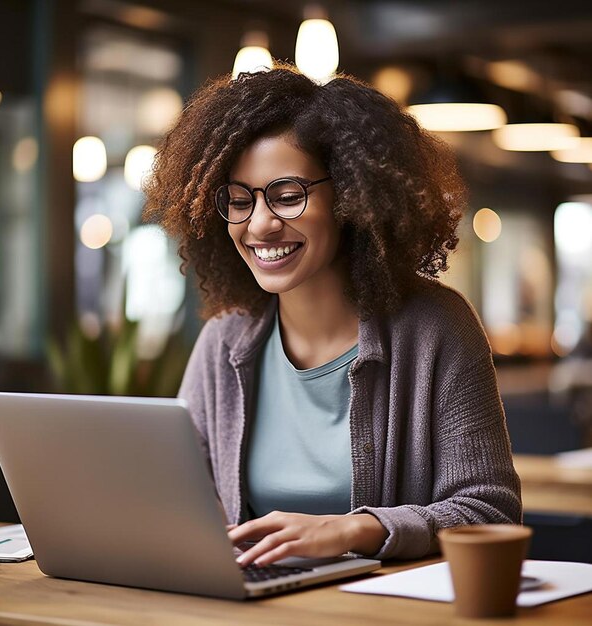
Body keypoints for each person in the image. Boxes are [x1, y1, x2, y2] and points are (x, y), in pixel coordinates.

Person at [142, 62, 522, 568]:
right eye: (239, 200)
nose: (260, 224)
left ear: (350, 197)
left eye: (287, 196)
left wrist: (355, 530)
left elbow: (490, 511)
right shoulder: (225, 340)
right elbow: (176, 492)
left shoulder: (436, 329)